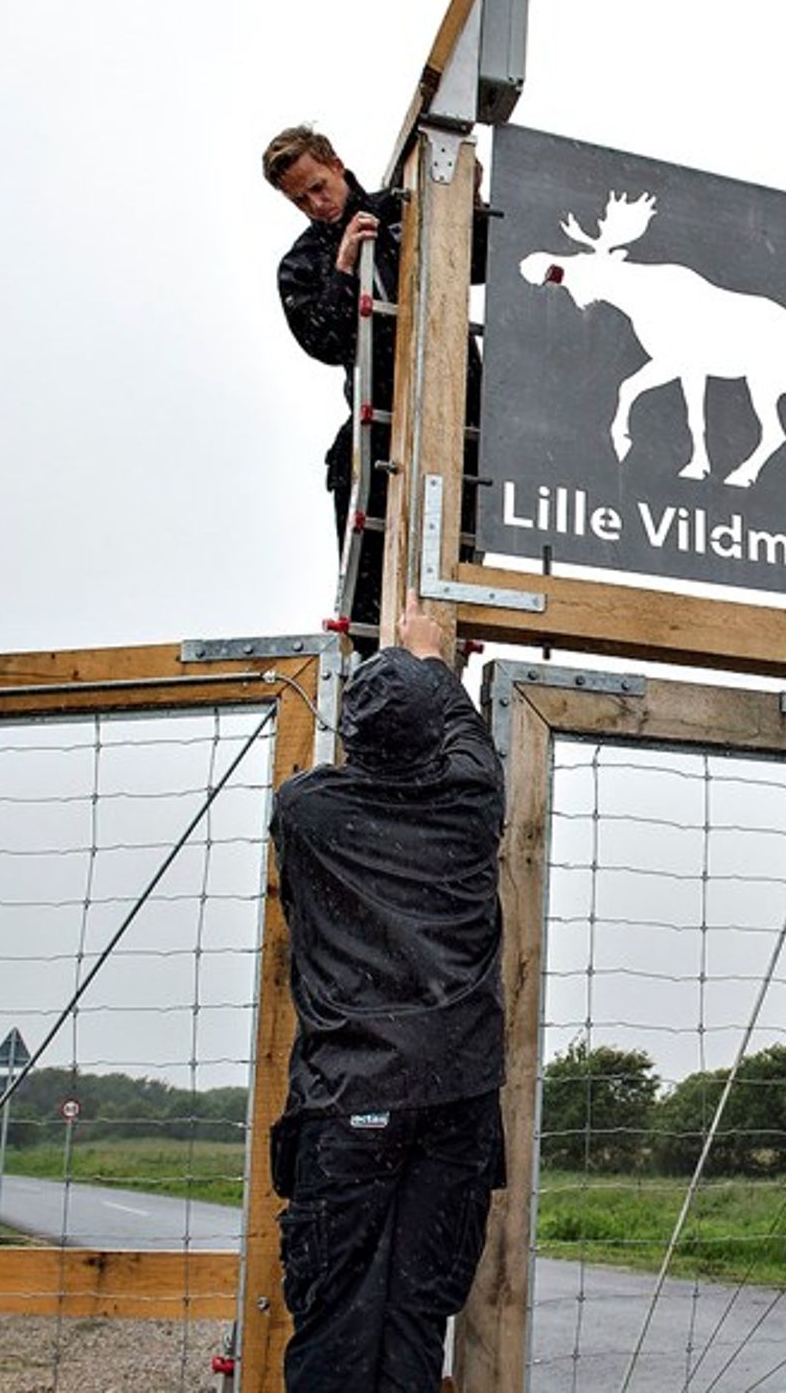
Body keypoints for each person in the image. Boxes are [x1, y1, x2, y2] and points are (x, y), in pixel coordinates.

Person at [268, 590, 505, 1390]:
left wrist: (408, 669)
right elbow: (471, 741)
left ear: (355, 735)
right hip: (456, 1097)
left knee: (336, 1322)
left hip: (352, 1098)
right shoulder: (472, 805)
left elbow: (448, 745)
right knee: (415, 1321)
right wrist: (432, 658)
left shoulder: (306, 813)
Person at [262, 125, 487, 634]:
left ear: (336, 163)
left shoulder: (406, 205)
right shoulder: (302, 264)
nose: (316, 205)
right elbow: (324, 342)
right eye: (300, 200)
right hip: (378, 426)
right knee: (372, 598)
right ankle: (375, 674)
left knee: (457, 575)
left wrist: (467, 202)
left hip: (458, 411)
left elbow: (480, 262)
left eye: (319, 187)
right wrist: (344, 268)